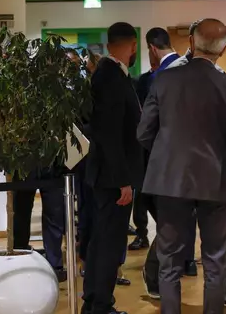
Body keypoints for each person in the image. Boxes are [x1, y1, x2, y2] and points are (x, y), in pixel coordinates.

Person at [137, 18, 226, 314]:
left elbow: (144, 133)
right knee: (215, 261)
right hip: (216, 180)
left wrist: (168, 155)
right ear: (224, 48)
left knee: (169, 262)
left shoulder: (163, 80)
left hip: (170, 180)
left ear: (191, 43)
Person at [82, 22, 144, 314]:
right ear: (132, 45)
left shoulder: (108, 73)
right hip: (112, 177)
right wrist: (123, 179)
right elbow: (109, 133)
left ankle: (95, 300)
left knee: (101, 240)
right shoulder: (110, 76)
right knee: (108, 242)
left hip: (107, 174)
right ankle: (101, 305)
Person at [129, 27, 179, 251]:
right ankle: (181, 251)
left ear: (151, 48)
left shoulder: (159, 77)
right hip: (185, 152)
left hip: (159, 151)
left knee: (156, 200)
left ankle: (176, 245)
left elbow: (148, 120)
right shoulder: (189, 67)